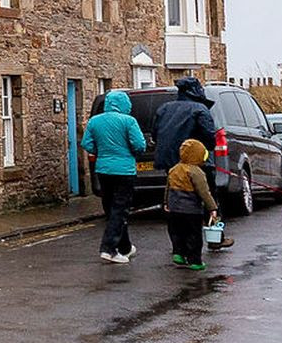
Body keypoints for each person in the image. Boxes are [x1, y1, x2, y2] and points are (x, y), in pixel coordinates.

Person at [83, 90, 151, 263]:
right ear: (125, 104)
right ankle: (109, 249)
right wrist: (130, 152)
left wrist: (102, 152)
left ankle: (125, 247)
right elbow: (139, 145)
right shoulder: (128, 121)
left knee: (111, 209)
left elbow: (87, 144)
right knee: (120, 210)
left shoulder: (94, 121)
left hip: (103, 169)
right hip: (124, 170)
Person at [163, 137, 219, 269]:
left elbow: (168, 188)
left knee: (177, 233)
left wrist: (166, 202)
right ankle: (195, 261)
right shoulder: (197, 172)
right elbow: (204, 192)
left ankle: (179, 253)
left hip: (174, 209)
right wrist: (212, 208)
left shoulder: (174, 169)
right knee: (194, 236)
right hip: (192, 211)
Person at [152, 74, 220, 170]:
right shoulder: (199, 109)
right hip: (191, 160)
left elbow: (155, 135)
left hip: (167, 161)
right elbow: (209, 137)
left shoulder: (164, 108)